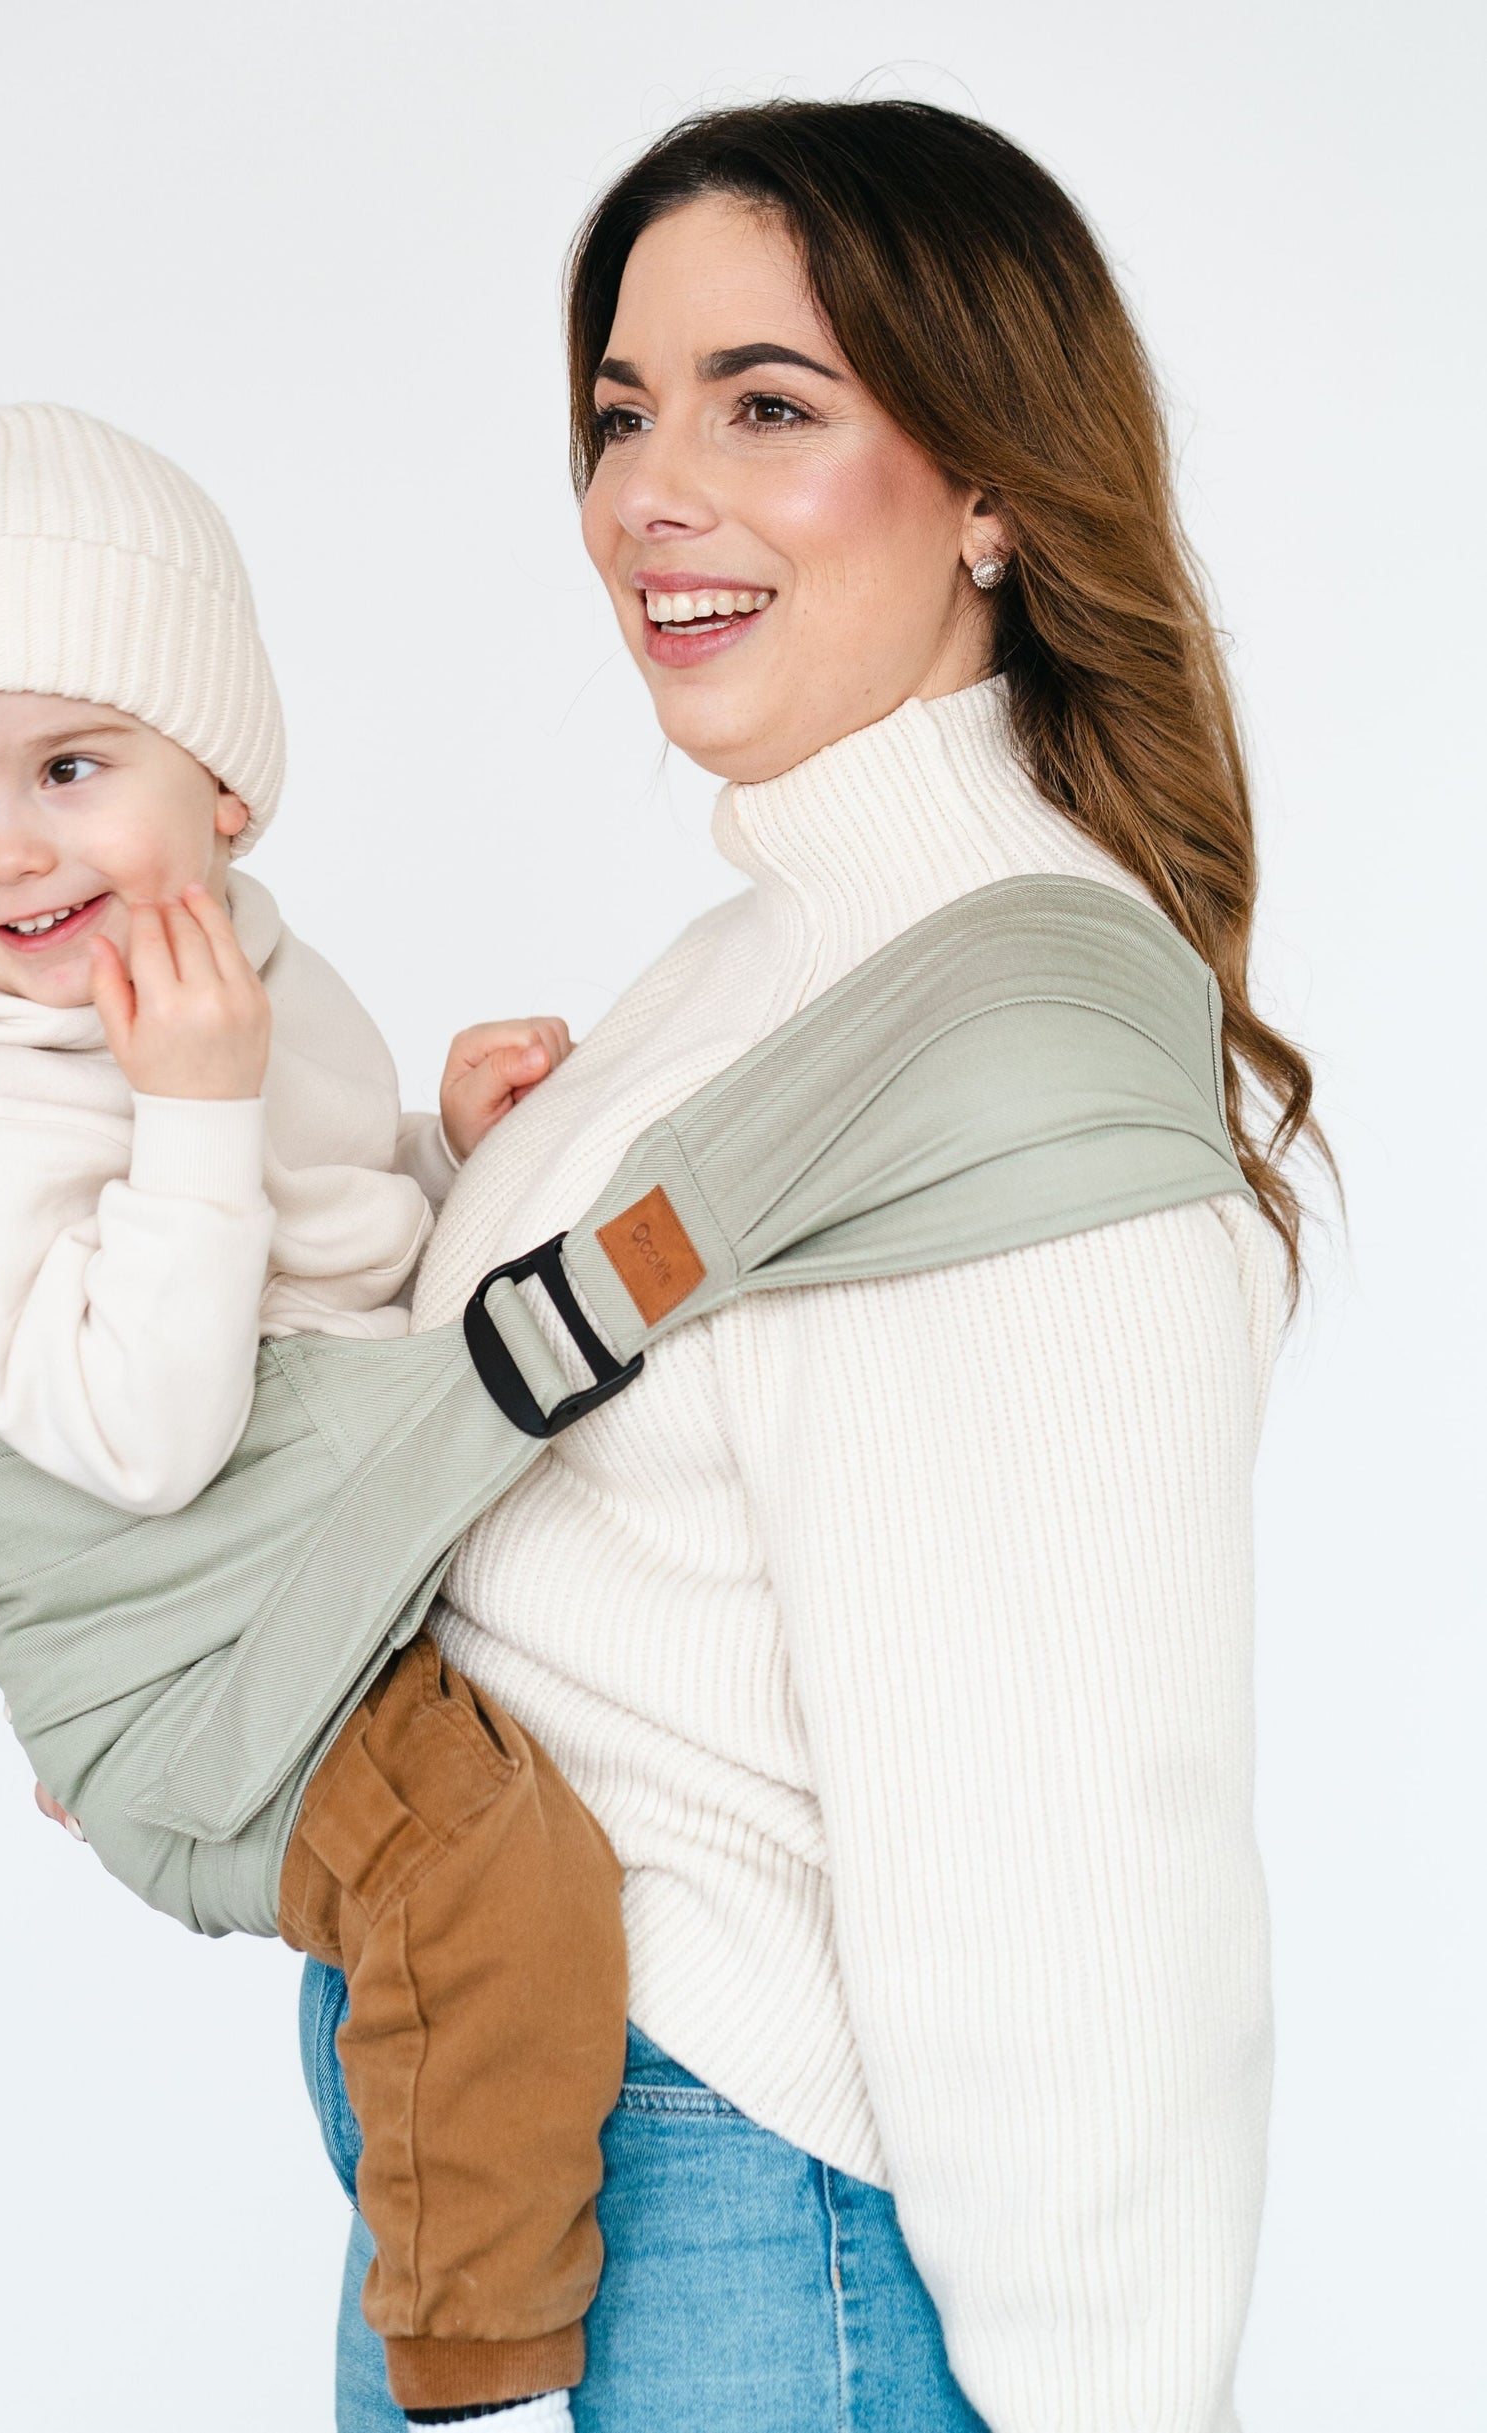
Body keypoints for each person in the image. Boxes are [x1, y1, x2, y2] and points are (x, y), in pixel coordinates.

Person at [290, 100, 1328, 2432]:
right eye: (619, 413)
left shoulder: (994, 1048)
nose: (648, 493)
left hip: (757, 2235)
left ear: (987, 488)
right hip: (543, 2168)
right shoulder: (756, 966)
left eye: (764, 407)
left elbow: (1073, 1869)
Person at [0, 402, 626, 2430]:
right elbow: (144, 1434)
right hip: (185, 1649)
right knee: (477, 1860)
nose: (4, 848)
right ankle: (469, 2366)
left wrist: (442, 1145)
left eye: (67, 766)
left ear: (222, 782)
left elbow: (319, 1250)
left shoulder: (243, 978)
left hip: (296, 1564)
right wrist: (192, 1108)